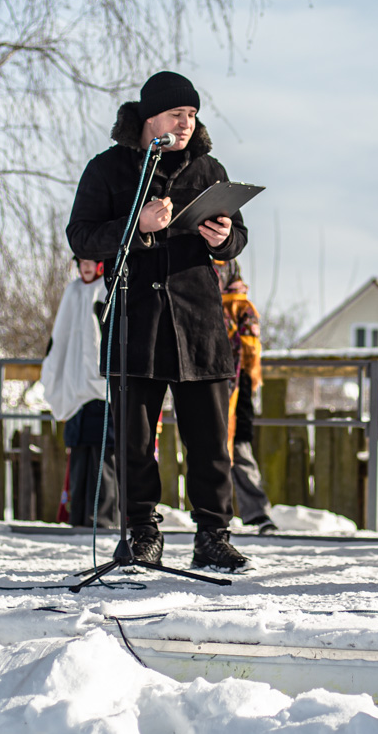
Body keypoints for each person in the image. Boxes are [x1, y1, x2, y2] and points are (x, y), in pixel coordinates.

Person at [66, 71, 251, 571]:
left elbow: (238, 238)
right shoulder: (108, 169)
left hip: (198, 323)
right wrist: (137, 223)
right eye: (177, 114)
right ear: (150, 119)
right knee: (133, 441)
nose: (187, 123)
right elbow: (80, 236)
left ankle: (213, 534)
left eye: (192, 115)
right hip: (136, 322)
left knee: (211, 440)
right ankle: (140, 531)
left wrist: (224, 238)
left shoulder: (208, 168)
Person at [40, 256, 119, 528]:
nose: (86, 267)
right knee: (79, 459)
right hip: (76, 392)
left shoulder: (109, 287)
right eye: (81, 261)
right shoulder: (72, 291)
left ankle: (103, 519)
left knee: (103, 461)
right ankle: (79, 519)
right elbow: (60, 337)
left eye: (91, 261)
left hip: (103, 392)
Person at [216, 260, 276, 532]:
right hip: (209, 385)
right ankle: (216, 514)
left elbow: (251, 353)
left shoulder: (242, 310)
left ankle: (257, 513)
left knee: (240, 452)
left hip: (236, 392)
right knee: (213, 454)